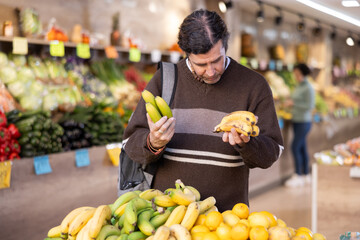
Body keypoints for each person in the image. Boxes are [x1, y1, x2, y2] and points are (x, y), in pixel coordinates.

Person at [121, 9, 283, 211]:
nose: (211, 71)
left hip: (226, 220)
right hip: (168, 216)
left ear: (225, 45)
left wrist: (248, 145)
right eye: (201, 64)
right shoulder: (165, 80)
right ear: (186, 53)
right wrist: (153, 143)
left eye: (217, 60)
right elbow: (130, 143)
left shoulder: (254, 85)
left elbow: (273, 152)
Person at [284, 63, 315, 188]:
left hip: (304, 121)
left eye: (297, 73)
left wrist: (293, 104)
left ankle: (297, 175)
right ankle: (306, 174)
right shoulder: (298, 85)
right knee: (302, 148)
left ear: (302, 73)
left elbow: (310, 106)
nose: (295, 75)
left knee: (295, 147)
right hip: (296, 120)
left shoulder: (308, 87)